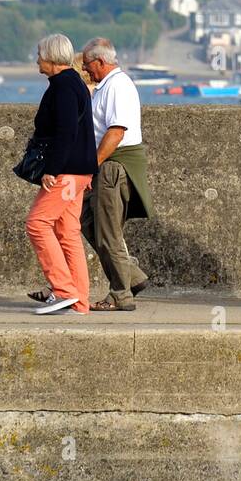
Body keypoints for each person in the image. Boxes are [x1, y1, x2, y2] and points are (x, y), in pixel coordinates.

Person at [80, 38, 156, 311]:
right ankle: (132, 277)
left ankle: (120, 294)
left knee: (108, 233)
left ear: (100, 62)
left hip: (112, 167)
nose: (86, 70)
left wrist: (92, 166)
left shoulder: (118, 86)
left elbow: (115, 132)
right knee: (88, 222)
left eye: (88, 65)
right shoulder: (104, 87)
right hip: (106, 165)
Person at [25, 34, 98, 315]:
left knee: (37, 223)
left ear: (52, 58)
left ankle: (63, 290)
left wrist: (52, 170)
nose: (37, 60)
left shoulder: (64, 87)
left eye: (40, 55)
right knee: (68, 232)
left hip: (66, 173)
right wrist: (89, 170)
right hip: (79, 172)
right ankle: (79, 302)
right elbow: (85, 133)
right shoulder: (75, 84)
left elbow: (66, 132)